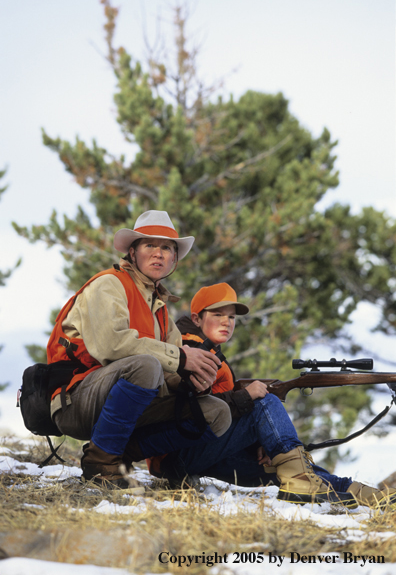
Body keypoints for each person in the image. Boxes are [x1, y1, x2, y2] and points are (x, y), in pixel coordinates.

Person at [152, 283, 396, 509]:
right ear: (197, 318)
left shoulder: (209, 352)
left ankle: (359, 493)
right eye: (218, 314)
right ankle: (304, 482)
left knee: (284, 466)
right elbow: (189, 411)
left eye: (232, 317)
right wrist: (247, 398)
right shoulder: (192, 350)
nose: (227, 322)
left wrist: (260, 442)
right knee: (264, 401)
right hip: (178, 454)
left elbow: (216, 415)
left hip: (195, 456)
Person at [46, 211, 231, 488]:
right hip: (75, 401)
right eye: (150, 245)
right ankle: (100, 463)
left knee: (217, 413)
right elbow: (112, 345)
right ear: (132, 253)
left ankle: (122, 453)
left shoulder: (161, 309)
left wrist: (191, 381)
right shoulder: (108, 284)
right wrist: (181, 357)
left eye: (167, 247)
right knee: (146, 365)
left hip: (123, 403)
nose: (159, 254)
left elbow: (170, 373)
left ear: (174, 259)